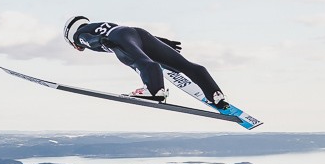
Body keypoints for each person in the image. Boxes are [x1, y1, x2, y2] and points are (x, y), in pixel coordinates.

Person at [63, 16, 229, 108]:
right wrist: (164, 43)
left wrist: (99, 41)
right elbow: (134, 37)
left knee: (140, 62)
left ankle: (154, 90)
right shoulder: (98, 24)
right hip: (138, 33)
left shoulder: (78, 35)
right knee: (184, 65)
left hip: (117, 37)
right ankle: (214, 93)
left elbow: (87, 40)